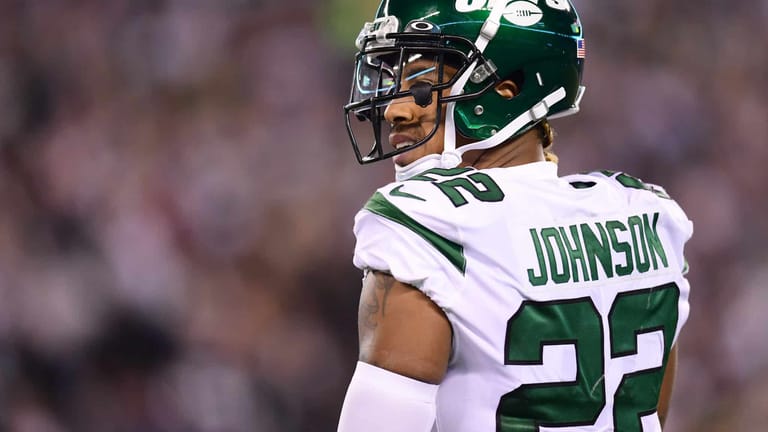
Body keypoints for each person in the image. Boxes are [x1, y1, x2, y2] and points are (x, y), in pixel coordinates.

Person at [337, 1, 692, 431]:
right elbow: (650, 410)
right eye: (393, 82)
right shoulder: (647, 215)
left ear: (508, 87)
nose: (396, 109)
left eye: (422, 87)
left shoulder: (429, 223)